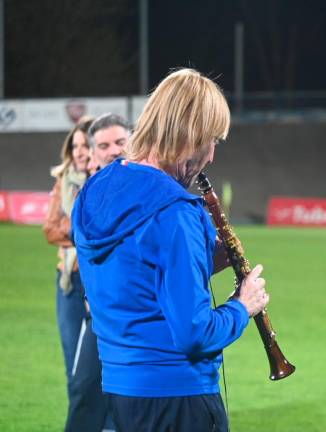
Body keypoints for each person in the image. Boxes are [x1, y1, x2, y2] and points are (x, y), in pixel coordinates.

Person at [72, 68, 269, 431]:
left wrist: (201, 263)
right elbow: (196, 334)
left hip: (120, 392)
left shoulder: (94, 191)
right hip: (180, 398)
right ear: (191, 136)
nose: (211, 156)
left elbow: (130, 280)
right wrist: (243, 306)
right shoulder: (176, 211)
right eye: (212, 141)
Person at [43, 117, 114, 431]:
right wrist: (86, 232)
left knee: (105, 371)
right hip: (69, 281)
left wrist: (78, 230)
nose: (80, 152)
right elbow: (50, 230)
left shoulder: (105, 181)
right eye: (75, 146)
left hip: (99, 282)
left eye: (86, 145)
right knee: (78, 372)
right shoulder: (66, 181)